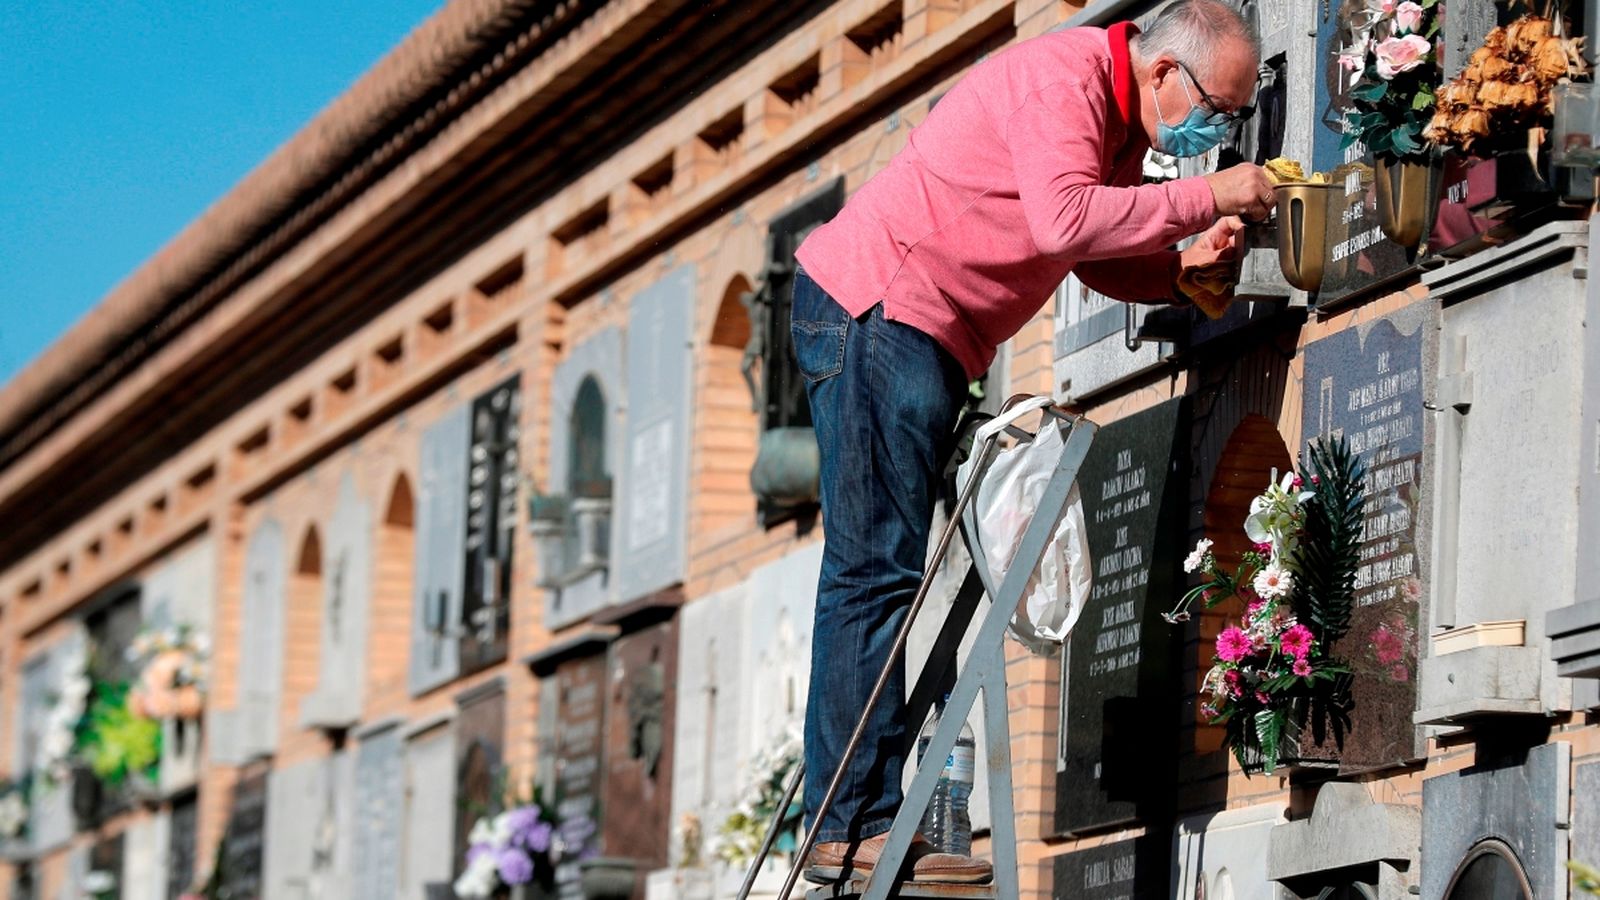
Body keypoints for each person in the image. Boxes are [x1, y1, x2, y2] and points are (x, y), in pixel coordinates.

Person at [791, 0, 1271, 885]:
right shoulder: (1068, 77)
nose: (1220, 130)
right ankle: (847, 823)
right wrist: (1212, 193)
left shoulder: (1117, 121)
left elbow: (1084, 254)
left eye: (1235, 119)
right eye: (1219, 107)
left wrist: (1176, 271)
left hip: (918, 333)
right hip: (879, 310)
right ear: (1164, 72)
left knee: (884, 568)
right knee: (874, 570)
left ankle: (852, 811)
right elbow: (1065, 221)